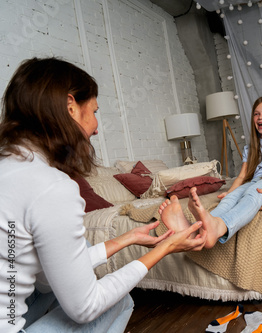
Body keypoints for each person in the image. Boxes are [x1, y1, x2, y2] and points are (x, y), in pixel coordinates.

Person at [0, 57, 206, 333]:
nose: (96, 128)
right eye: (94, 111)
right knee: (118, 301)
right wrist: (164, 248)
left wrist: (127, 238)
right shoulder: (51, 186)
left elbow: (54, 274)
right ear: (70, 107)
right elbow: (86, 307)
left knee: (55, 279)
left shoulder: (10, 166)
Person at [159, 96, 262, 249]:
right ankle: (195, 230)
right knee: (230, 199)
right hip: (255, 179)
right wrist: (230, 192)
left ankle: (220, 226)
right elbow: (241, 176)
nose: (261, 117)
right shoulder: (250, 147)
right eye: (256, 114)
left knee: (253, 193)